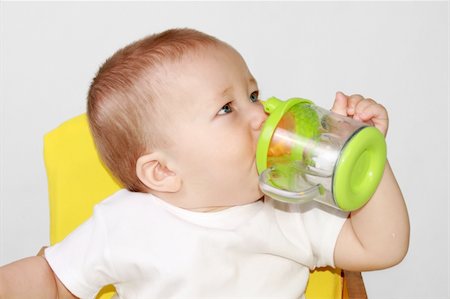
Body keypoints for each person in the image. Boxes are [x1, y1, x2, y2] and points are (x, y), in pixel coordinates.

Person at [0, 28, 409, 299]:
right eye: (227, 108)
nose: (263, 112)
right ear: (162, 172)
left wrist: (360, 151)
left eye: (253, 95)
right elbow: (52, 280)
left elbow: (382, 246)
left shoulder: (288, 208)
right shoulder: (124, 224)